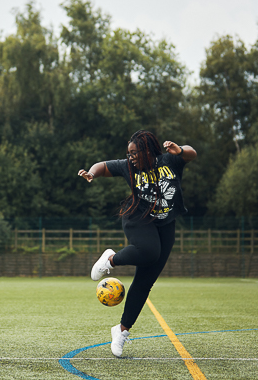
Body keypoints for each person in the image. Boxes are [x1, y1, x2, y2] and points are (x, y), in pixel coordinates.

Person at [77, 129, 196, 357]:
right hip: (137, 217)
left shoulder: (169, 160)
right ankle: (110, 259)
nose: (130, 157)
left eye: (134, 153)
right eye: (128, 153)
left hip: (165, 223)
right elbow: (103, 166)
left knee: (145, 280)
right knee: (149, 251)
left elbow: (192, 154)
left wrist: (180, 150)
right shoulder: (129, 167)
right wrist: (92, 174)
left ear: (148, 151)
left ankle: (121, 330)